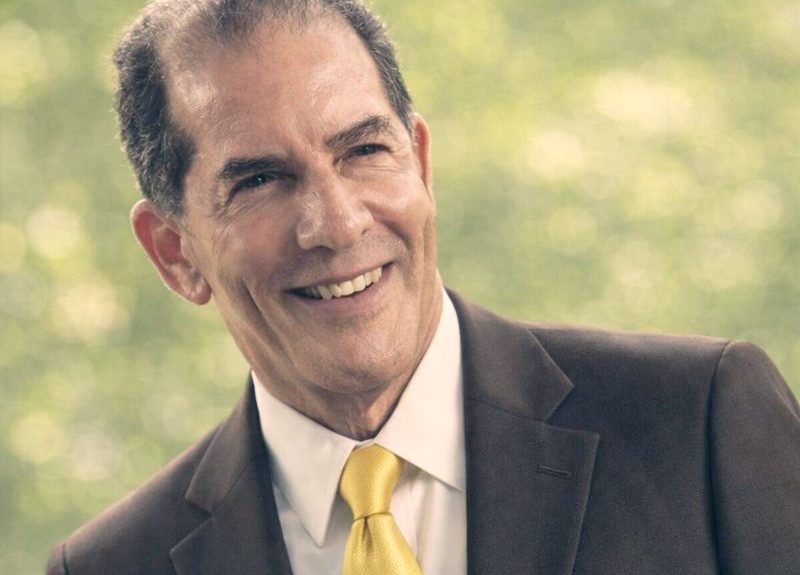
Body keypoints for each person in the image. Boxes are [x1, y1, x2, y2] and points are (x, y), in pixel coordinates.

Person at [47, 0, 800, 573]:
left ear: (420, 161)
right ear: (174, 253)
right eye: (261, 181)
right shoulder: (111, 565)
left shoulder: (698, 423)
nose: (338, 224)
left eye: (363, 150)